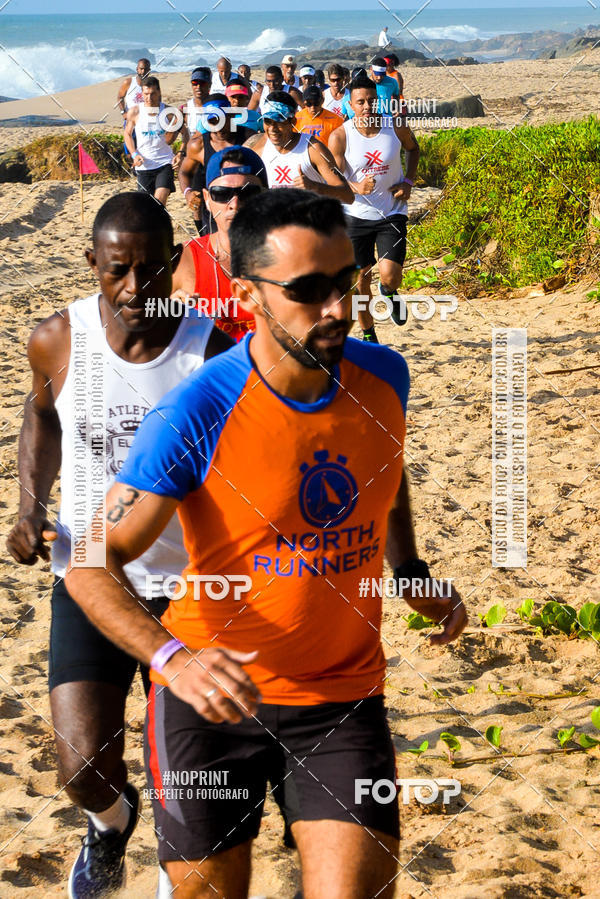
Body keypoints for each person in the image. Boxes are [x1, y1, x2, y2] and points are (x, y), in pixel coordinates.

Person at [64, 187, 467, 899]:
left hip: (340, 698)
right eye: (308, 290)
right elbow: (89, 558)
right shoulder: (196, 409)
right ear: (248, 294)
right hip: (210, 708)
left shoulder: (385, 377)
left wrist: (409, 568)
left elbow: (386, 466)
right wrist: (173, 660)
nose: (337, 307)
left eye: (345, 281)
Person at [6, 192, 233, 899]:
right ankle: (110, 822)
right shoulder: (58, 339)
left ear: (175, 261)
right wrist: (29, 506)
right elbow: (42, 416)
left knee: (190, 784)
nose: (135, 287)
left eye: (151, 269)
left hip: (191, 587)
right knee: (81, 769)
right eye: (116, 270)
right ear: (92, 264)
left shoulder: (212, 351)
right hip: (90, 574)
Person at [329, 74, 419, 343]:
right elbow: (334, 177)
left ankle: (388, 291)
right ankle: (369, 333)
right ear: (350, 104)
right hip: (355, 216)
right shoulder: (340, 136)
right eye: (361, 102)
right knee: (360, 282)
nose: (367, 106)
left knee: (390, 276)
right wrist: (355, 187)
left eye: (372, 100)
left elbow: (413, 149)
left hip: (392, 211)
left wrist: (408, 181)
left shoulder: (395, 126)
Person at [172, 146, 267, 341]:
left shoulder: (289, 258)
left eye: (248, 193)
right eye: (222, 193)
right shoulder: (184, 259)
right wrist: (168, 314)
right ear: (207, 199)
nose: (235, 204)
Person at [250, 91, 353, 204]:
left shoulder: (313, 149)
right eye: (267, 121)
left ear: (293, 122)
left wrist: (315, 187)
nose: (272, 129)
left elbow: (347, 196)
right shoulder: (258, 148)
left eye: (279, 121)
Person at [178, 95, 253, 234]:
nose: (218, 127)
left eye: (222, 120)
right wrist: (188, 193)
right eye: (213, 121)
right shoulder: (198, 145)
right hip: (214, 210)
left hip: (244, 208)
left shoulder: (249, 138)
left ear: (231, 115)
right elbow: (184, 172)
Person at [124, 76, 182, 206]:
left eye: (153, 94)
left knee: (159, 203)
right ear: (141, 93)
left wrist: (180, 153)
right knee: (146, 207)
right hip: (144, 165)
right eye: (146, 94)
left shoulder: (168, 112)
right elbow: (127, 134)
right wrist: (134, 154)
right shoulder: (135, 111)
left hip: (165, 163)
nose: (149, 98)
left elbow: (186, 133)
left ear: (159, 92)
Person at [180, 66, 212, 146]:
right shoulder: (185, 108)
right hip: (193, 150)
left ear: (210, 84)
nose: (198, 87)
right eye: (195, 83)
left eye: (202, 83)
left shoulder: (216, 106)